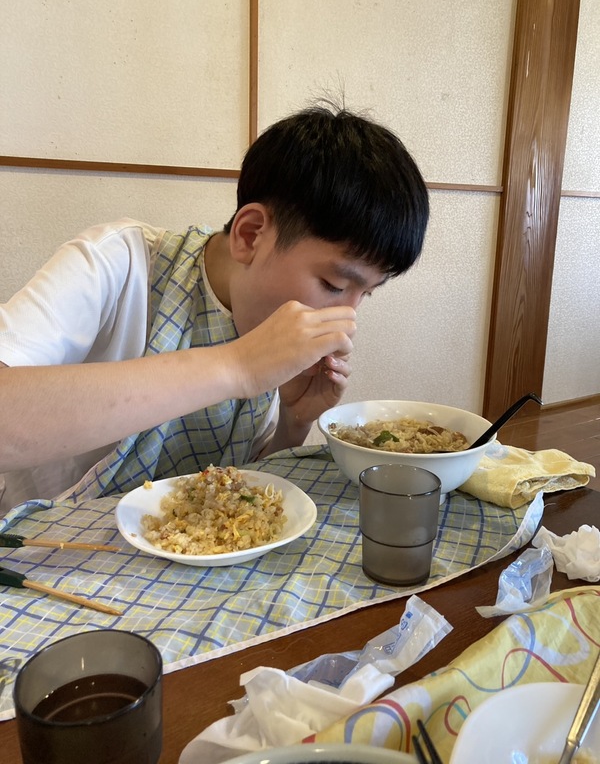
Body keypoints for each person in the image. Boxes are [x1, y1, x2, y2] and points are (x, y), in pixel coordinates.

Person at [0, 103, 429, 515]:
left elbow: (238, 489)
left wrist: (294, 422)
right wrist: (236, 366)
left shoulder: (264, 315)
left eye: (365, 294)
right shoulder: (118, 261)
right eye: (334, 285)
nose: (347, 320)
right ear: (250, 234)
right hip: (41, 540)